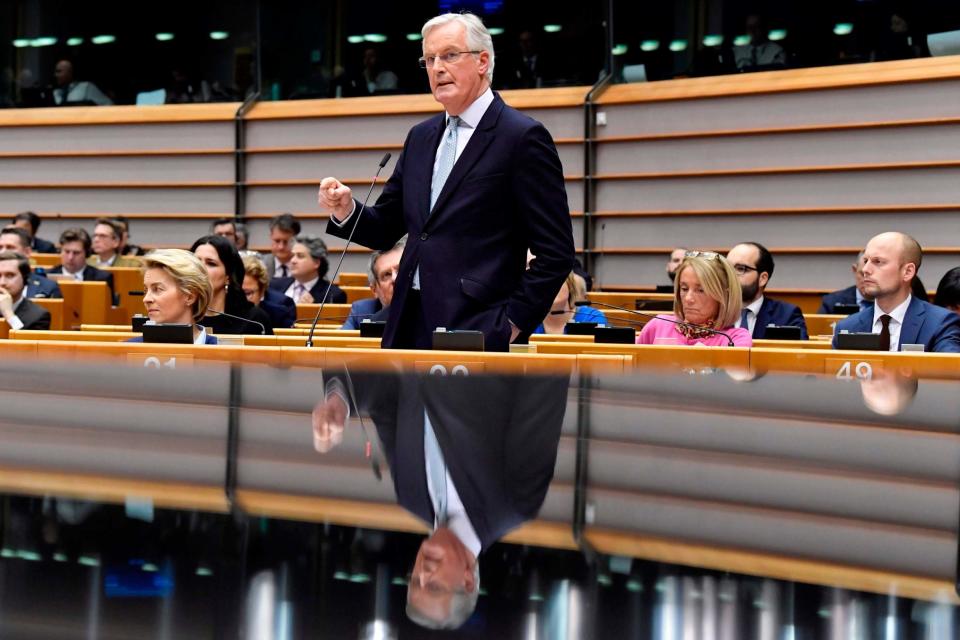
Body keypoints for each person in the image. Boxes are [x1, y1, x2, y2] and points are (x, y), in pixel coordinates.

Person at [319, 12, 575, 351]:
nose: (437, 67)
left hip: (477, 326)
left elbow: (556, 252)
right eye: (429, 59)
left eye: (450, 55)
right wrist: (346, 209)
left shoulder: (522, 137)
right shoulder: (421, 137)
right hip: (408, 323)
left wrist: (510, 324)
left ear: (483, 61)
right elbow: (386, 227)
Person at [312, 371, 568, 630]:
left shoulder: (410, 494)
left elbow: (384, 394)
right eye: (434, 586)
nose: (422, 573)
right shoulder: (514, 504)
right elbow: (545, 384)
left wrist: (338, 402)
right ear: (468, 582)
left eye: (414, 581)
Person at [832, 232, 960, 352]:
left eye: (878, 262)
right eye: (866, 261)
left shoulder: (940, 324)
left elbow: (949, 372)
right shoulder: (847, 327)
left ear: (908, 272)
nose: (866, 269)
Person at [637, 252, 751, 347]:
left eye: (701, 290)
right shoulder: (658, 325)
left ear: (724, 295)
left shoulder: (734, 339)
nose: (688, 299)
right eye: (684, 288)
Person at [190, 235, 274, 335]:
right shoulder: (180, 315)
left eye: (211, 263)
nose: (201, 268)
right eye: (197, 262)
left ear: (228, 276)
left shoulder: (254, 320)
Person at [131, 249, 217, 345]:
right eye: (146, 290)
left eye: (157, 289)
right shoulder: (126, 353)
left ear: (190, 296)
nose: (146, 299)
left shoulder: (223, 355)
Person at [726, 242, 808, 340]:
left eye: (740, 269)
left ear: (762, 279)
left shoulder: (787, 315)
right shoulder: (713, 312)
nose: (730, 275)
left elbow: (797, 354)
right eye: (727, 268)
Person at [342, 237, 405, 329]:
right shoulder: (362, 311)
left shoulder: (430, 305)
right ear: (375, 289)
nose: (395, 279)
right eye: (387, 274)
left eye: (400, 269)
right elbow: (342, 341)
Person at [268, 235, 346, 304]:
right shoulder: (274, 285)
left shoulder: (333, 295)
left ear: (316, 263)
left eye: (300, 256)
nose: (293, 261)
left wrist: (311, 310)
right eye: (292, 256)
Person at [46, 228, 114, 297]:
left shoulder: (102, 279)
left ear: (86, 254)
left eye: (76, 253)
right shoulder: (46, 277)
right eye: (67, 252)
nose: (70, 257)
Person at [533, 272, 606, 334]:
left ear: (570, 286)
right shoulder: (526, 319)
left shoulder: (591, 318)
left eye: (556, 281)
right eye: (544, 282)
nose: (550, 287)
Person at [0, 226, 61, 299]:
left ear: (27, 252)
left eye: (10, 247)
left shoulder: (48, 288)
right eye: (0, 248)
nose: (2, 252)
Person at [0, 251, 50, 330]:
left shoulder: (38, 316)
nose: (2, 282)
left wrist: (8, 313)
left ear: (25, 278)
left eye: (10, 275)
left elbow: (24, 340)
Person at [242, 254, 296, 329]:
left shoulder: (279, 315)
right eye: (236, 292)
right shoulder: (224, 312)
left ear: (262, 292)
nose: (241, 298)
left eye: (247, 293)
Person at [262, 214, 301, 279]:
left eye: (286, 242)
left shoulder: (307, 267)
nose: (281, 247)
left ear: (297, 240)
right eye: (277, 241)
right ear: (271, 237)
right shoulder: (260, 265)